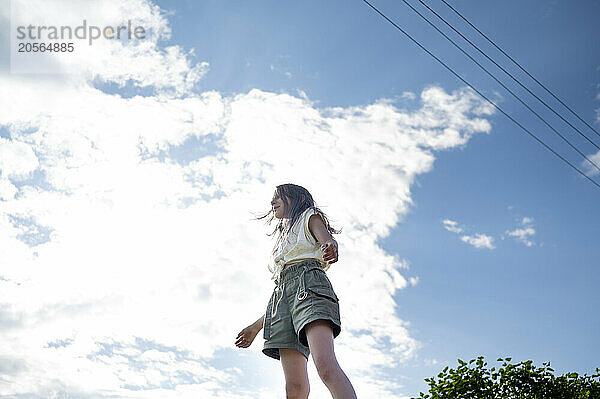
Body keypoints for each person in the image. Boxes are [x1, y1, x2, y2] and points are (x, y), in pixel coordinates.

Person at [235, 183, 357, 399]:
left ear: (298, 197)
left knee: (326, 366)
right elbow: (283, 294)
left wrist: (329, 245)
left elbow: (326, 238)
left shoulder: (310, 216)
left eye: (277, 197)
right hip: (281, 297)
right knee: (295, 388)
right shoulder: (282, 239)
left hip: (309, 283)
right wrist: (255, 327)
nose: (272, 202)